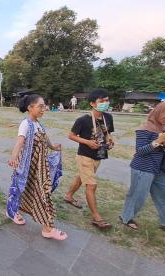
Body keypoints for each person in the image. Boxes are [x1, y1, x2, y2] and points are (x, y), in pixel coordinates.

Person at [6, 94, 66, 240]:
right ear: (30, 107)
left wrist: (53, 146)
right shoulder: (26, 124)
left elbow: (45, 138)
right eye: (40, 106)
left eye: (44, 106)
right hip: (26, 165)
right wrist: (13, 158)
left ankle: (46, 227)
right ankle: (13, 212)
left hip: (39, 167)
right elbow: (20, 141)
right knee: (20, 189)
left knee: (35, 192)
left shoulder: (38, 123)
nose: (43, 109)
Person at [120, 101, 165, 233]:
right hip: (142, 168)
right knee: (137, 196)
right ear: (159, 112)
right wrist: (158, 141)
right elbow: (140, 151)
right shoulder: (145, 128)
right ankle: (126, 218)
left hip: (159, 168)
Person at [64, 89, 114, 230]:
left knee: (82, 177)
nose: (105, 103)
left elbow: (107, 133)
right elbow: (71, 136)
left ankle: (68, 196)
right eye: (101, 101)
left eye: (107, 100)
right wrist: (87, 142)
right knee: (91, 185)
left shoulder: (108, 117)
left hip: (98, 156)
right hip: (84, 156)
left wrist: (110, 141)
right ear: (92, 103)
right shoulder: (83, 120)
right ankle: (97, 218)